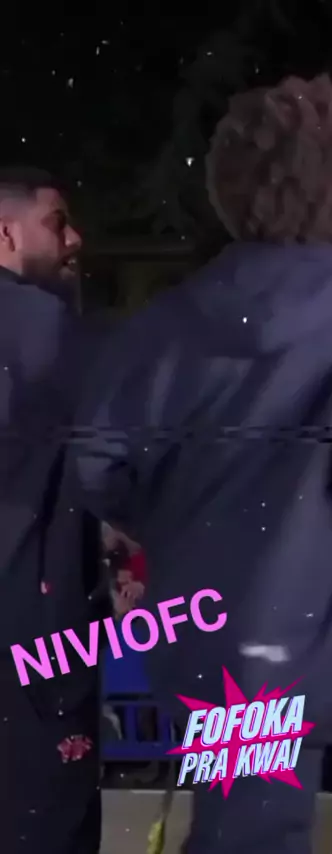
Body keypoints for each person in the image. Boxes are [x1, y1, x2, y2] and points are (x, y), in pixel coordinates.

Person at [75, 79, 332, 854]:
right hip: (294, 635)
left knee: (238, 825)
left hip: (197, 628)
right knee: (258, 831)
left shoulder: (164, 322)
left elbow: (96, 458)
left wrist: (183, 524)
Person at [0, 167, 108, 853]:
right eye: (57, 223)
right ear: (6, 234)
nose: (75, 240)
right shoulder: (48, 330)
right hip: (35, 640)